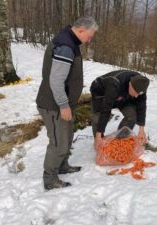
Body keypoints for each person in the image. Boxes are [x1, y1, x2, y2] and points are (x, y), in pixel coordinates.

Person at [36, 17, 98, 190]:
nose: (89, 39)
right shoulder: (65, 47)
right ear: (80, 31)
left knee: (67, 137)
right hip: (54, 105)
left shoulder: (70, 41)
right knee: (58, 143)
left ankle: (62, 166)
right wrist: (63, 105)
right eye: (89, 35)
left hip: (63, 104)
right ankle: (50, 179)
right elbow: (56, 81)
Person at [90, 70, 150, 151]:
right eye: (135, 93)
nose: (136, 96)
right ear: (130, 85)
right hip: (101, 92)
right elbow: (106, 109)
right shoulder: (114, 83)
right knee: (98, 117)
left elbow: (142, 106)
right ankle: (99, 143)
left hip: (122, 95)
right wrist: (98, 135)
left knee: (132, 116)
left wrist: (141, 129)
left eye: (138, 94)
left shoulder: (141, 84)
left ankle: (119, 142)